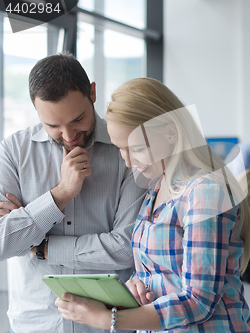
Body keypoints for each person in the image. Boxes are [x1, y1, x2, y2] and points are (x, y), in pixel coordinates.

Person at [54, 78, 250, 332]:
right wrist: (138, 284)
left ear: (171, 132)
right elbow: (161, 270)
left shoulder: (205, 191)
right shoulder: (156, 188)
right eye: (120, 149)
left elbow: (199, 301)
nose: (128, 162)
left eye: (137, 148)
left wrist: (107, 320)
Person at [0, 53, 146, 333]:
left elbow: (127, 248)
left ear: (92, 92)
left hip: (110, 324)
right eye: (53, 125)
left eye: (77, 119)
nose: (68, 135)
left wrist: (42, 246)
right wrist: (60, 195)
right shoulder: (13, 152)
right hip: (36, 324)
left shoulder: (126, 150)